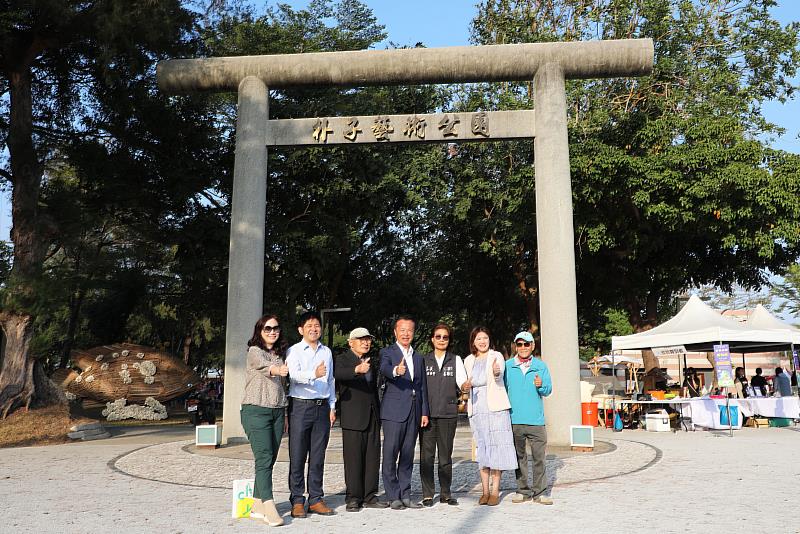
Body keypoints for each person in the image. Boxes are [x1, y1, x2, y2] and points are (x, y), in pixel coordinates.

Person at [286, 311, 336, 518]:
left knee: (318, 456)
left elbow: (331, 379)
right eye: (309, 326)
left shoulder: (327, 352)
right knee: (297, 455)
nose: (314, 329)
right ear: (301, 329)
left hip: (322, 407)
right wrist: (313, 375)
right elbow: (293, 376)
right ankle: (297, 500)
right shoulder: (294, 350)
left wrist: (332, 406)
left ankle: (316, 498)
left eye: (317, 325)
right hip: (300, 407)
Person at [240, 314, 289, 527]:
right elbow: (264, 367)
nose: (272, 332)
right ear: (260, 331)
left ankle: (256, 505)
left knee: (269, 459)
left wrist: (285, 414)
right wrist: (279, 369)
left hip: (278, 411)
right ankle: (269, 506)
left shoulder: (280, 354)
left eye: (275, 328)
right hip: (256, 410)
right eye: (267, 328)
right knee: (264, 457)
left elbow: (283, 386)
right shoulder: (254, 351)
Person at [334, 327, 388, 512]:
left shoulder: (372, 361)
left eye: (368, 339)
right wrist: (356, 369)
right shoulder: (342, 359)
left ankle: (370, 496)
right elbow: (338, 375)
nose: (366, 342)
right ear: (351, 342)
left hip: (373, 415)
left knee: (372, 458)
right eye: (361, 339)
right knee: (353, 459)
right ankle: (353, 497)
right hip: (353, 417)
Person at [380, 315, 430, 510]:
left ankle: (406, 493)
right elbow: (384, 369)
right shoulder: (388, 352)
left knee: (408, 454)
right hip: (393, 411)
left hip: (414, 411)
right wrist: (395, 371)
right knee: (391, 453)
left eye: (409, 330)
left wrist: (424, 411)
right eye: (402, 330)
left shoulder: (418, 357)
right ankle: (393, 495)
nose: (406, 333)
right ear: (395, 332)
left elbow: (422, 386)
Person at [463, 326, 517, 506]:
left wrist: (495, 372)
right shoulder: (468, 360)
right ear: (473, 342)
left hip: (495, 407)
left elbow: (499, 373)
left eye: (485, 338)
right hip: (477, 407)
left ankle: (495, 491)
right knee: (482, 448)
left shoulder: (496, 356)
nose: (482, 341)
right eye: (478, 338)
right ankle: (484, 490)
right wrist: (464, 387)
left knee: (496, 448)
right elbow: (465, 383)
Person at [419, 323, 467, 507]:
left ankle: (445, 493)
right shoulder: (424, 360)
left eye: (445, 337)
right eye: (438, 336)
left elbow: (462, 383)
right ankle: (427, 494)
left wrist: (466, 387)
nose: (441, 340)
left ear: (449, 340)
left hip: (448, 414)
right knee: (427, 456)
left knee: (445, 457)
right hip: (427, 416)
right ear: (432, 339)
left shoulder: (455, 360)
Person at [504, 331, 553, 505]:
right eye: (520, 344)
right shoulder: (507, 366)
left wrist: (541, 386)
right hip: (514, 419)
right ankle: (522, 490)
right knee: (519, 458)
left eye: (526, 344)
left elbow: (548, 390)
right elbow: (500, 389)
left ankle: (539, 492)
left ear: (532, 346)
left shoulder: (541, 366)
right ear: (515, 346)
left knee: (539, 458)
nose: (523, 348)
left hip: (536, 421)